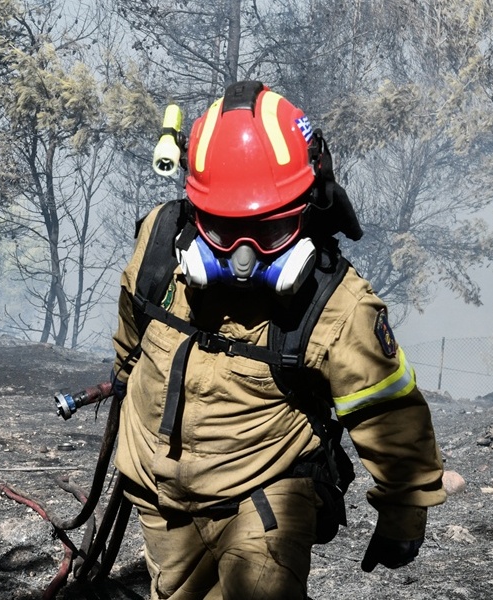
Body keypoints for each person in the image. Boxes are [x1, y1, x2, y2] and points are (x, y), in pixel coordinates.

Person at [110, 81, 446, 599]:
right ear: (196, 210)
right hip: (159, 496)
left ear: (303, 208)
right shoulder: (159, 242)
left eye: (268, 232)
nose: (243, 259)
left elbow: (387, 409)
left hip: (266, 492)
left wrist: (405, 510)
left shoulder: (337, 303)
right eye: (224, 232)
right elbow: (131, 335)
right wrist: (125, 388)